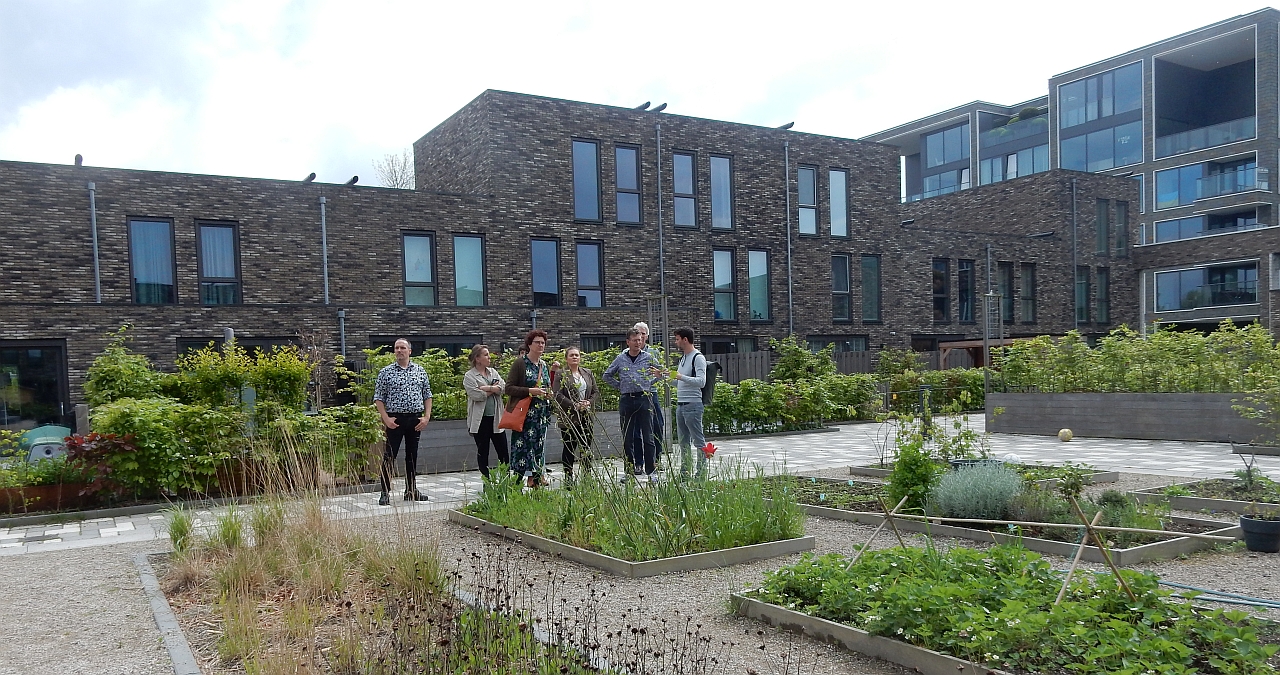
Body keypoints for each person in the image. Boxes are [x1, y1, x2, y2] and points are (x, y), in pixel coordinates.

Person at [373, 338, 432, 505]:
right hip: (395, 420)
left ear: (409, 351)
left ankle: (411, 490)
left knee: (412, 456)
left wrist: (426, 417)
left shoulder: (420, 371)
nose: (399, 350)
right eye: (396, 348)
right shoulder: (386, 372)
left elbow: (427, 395)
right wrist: (386, 418)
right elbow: (378, 398)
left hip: (415, 419)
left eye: (402, 348)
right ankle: (384, 492)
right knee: (389, 456)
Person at [604, 328, 659, 481]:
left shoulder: (648, 357)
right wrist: (620, 386)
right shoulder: (620, 358)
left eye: (640, 340)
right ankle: (629, 471)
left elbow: (660, 372)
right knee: (628, 436)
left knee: (648, 436)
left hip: (644, 399)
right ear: (628, 342)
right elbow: (607, 375)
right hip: (627, 400)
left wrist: (649, 383)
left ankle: (651, 472)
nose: (638, 343)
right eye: (635, 340)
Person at [505, 330, 554, 488]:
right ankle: (517, 484)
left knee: (538, 449)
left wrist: (548, 394)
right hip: (524, 415)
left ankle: (536, 482)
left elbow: (546, 386)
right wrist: (529, 391)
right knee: (522, 449)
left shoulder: (543, 365)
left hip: (541, 415)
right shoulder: (520, 363)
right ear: (529, 345)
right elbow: (509, 388)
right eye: (537, 342)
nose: (540, 345)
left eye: (543, 343)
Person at [661, 327, 708, 480]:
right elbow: (679, 383)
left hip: (693, 405)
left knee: (698, 441)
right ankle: (685, 473)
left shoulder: (698, 357)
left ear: (685, 340)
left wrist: (681, 376)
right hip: (681, 405)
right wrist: (663, 376)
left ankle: (701, 474)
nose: (676, 342)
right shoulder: (683, 358)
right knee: (683, 442)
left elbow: (701, 382)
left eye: (677, 339)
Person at [553, 345, 599, 483]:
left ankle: (587, 477)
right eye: (571, 355)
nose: (574, 357)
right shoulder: (561, 374)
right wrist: (574, 405)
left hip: (586, 415)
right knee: (569, 447)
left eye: (576, 355)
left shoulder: (587, 372)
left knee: (586, 447)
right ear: (566, 359)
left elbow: (595, 391)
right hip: (569, 416)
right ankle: (568, 478)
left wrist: (588, 402)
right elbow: (557, 394)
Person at [463, 344, 509, 478]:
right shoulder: (469, 376)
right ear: (477, 358)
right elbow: (476, 395)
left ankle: (505, 479)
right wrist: (493, 389)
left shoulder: (493, 372)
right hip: (481, 421)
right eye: (486, 355)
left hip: (496, 419)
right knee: (483, 452)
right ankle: (487, 481)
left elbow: (503, 388)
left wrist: (485, 388)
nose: (489, 357)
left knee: (503, 452)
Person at [633, 322, 667, 462]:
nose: (640, 337)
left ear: (646, 336)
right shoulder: (627, 353)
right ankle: (638, 462)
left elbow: (661, 373)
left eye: (642, 333)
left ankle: (656, 459)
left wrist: (650, 383)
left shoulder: (653, 353)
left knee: (657, 424)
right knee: (635, 429)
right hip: (634, 395)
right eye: (637, 333)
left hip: (651, 393)